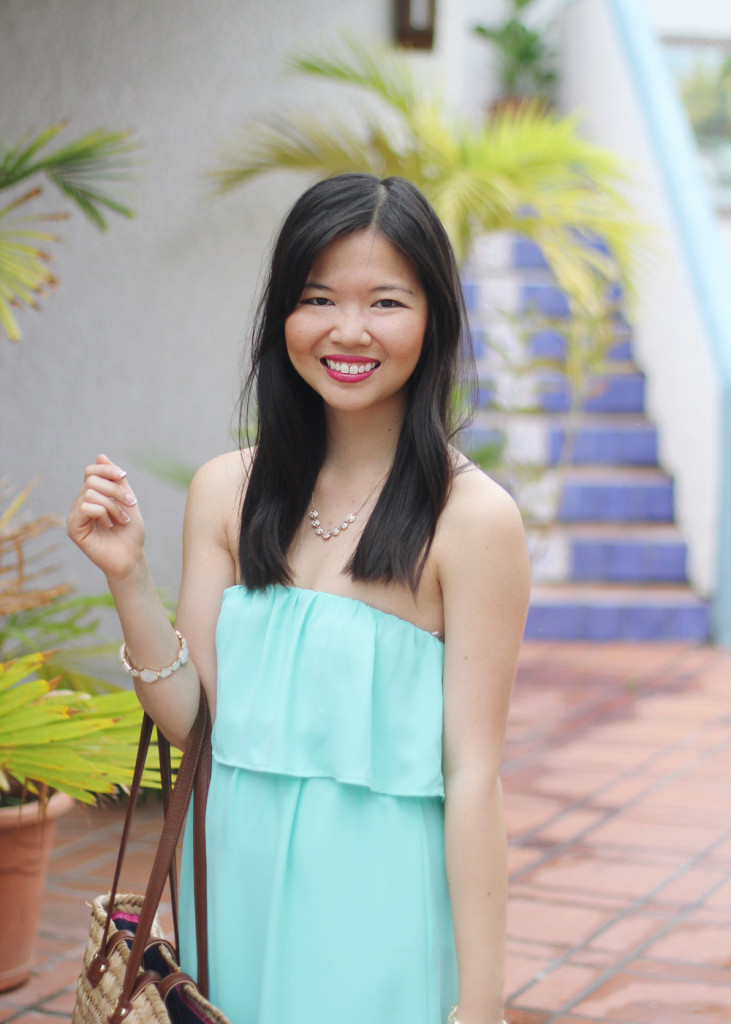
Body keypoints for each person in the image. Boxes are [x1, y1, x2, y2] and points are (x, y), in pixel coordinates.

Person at [67, 173, 530, 1024]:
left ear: (432, 322)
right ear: (283, 314)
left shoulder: (472, 521)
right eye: (318, 298)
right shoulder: (226, 491)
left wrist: (482, 1001)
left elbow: (473, 777)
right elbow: (192, 721)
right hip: (228, 891)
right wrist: (127, 577)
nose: (347, 330)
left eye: (385, 301)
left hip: (378, 911)